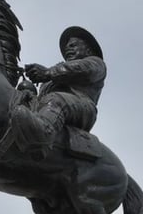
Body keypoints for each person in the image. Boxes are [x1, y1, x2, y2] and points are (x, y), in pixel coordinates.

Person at [12, 25, 106, 155]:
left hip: (82, 107)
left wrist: (48, 72)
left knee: (55, 99)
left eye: (73, 45)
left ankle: (42, 136)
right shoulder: (56, 73)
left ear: (88, 50)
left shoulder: (95, 62)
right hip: (51, 106)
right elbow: (42, 100)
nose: (68, 48)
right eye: (67, 46)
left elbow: (82, 69)